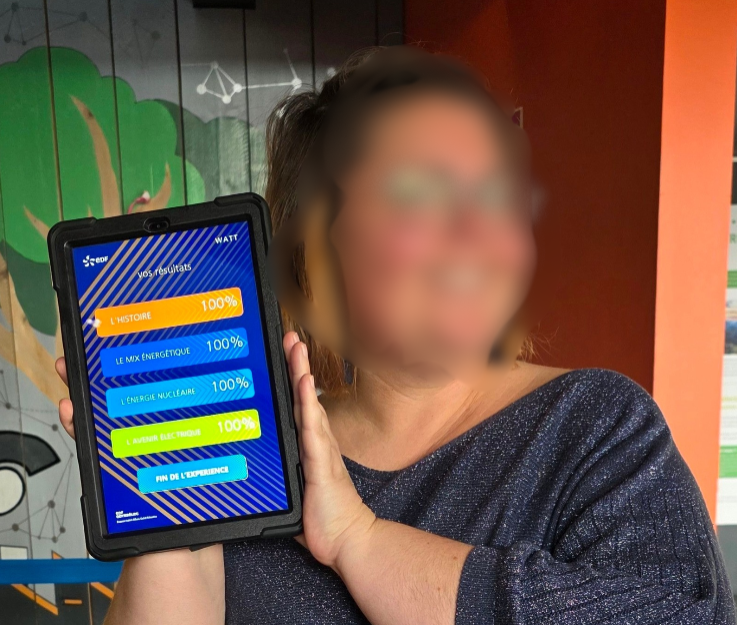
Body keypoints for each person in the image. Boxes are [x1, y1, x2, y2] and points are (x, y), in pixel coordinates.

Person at [56, 47, 735, 624]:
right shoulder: (254, 452)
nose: (475, 230)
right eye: (417, 194)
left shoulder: (592, 425)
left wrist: (359, 538)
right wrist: (161, 499)